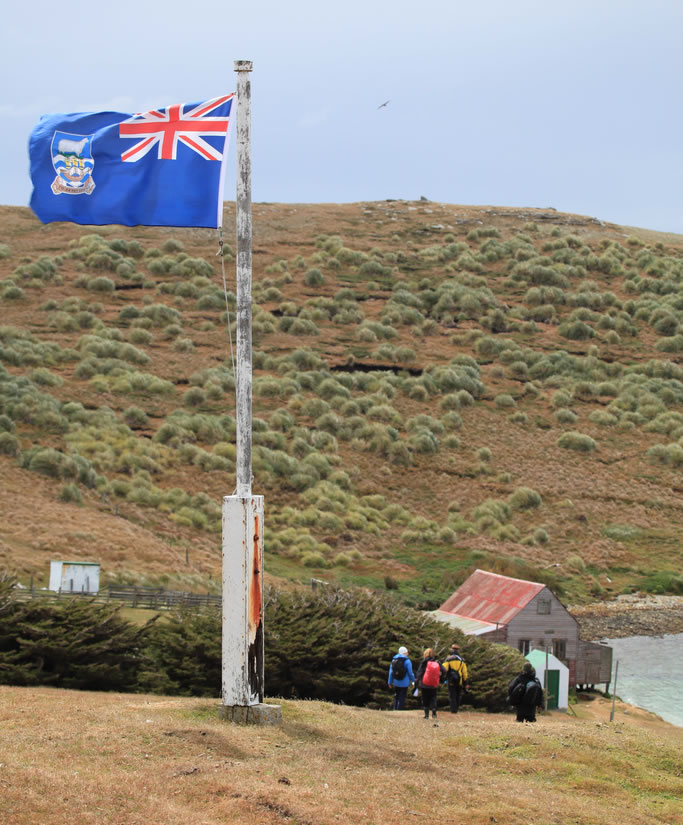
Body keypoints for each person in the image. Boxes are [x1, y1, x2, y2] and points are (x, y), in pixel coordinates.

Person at [414, 647, 446, 719]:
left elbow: (419, 673)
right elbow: (444, 670)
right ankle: (434, 713)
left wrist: (416, 683)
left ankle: (426, 715)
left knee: (425, 698)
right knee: (433, 698)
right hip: (434, 684)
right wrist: (440, 678)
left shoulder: (424, 662)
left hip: (424, 684)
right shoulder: (437, 662)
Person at [442, 642, 470, 714]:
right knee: (458, 695)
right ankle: (456, 709)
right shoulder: (461, 660)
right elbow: (465, 672)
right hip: (459, 680)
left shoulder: (448, 659)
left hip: (451, 680)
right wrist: (466, 682)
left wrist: (443, 679)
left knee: (452, 695)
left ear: (451, 649)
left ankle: (453, 710)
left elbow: (444, 669)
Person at [388, 645, 415, 710]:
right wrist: (413, 682)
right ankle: (400, 709)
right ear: (404, 653)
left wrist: (389, 682)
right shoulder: (407, 661)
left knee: (396, 696)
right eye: (407, 652)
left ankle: (395, 708)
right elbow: (410, 673)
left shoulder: (394, 660)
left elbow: (391, 673)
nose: (408, 653)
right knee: (402, 696)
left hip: (396, 682)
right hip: (404, 683)